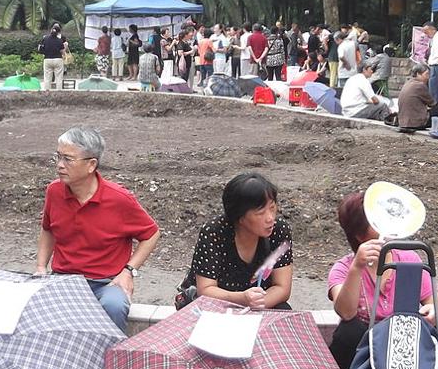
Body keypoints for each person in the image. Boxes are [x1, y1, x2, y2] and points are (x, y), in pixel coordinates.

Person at [35, 127, 160, 330]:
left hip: (106, 283)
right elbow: (48, 229)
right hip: (64, 280)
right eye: (58, 157)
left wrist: (129, 271)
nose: (59, 165)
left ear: (91, 164)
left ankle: (109, 359)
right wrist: (41, 267)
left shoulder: (119, 199)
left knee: (114, 305)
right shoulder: (54, 191)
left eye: (68, 159)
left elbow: (152, 234)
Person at [327, 190, 438, 369]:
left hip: (405, 335)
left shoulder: (408, 259)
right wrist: (357, 268)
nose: (387, 229)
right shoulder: (343, 268)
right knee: (348, 333)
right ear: (359, 234)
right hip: (367, 339)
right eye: (377, 223)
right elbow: (346, 312)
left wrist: (434, 311)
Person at [183, 172, 293, 311]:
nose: (270, 218)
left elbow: (282, 288)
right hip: (218, 302)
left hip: (261, 302)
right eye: (260, 213)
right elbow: (206, 289)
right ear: (239, 217)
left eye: (272, 208)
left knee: (283, 311)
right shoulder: (214, 231)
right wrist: (242, 299)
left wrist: (255, 304)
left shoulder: (279, 230)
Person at [397, 62, 434, 130]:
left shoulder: (407, 83)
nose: (428, 77)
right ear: (418, 74)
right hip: (416, 122)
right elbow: (432, 103)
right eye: (426, 74)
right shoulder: (420, 85)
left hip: (403, 121)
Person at [39, 23, 68, 90]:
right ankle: (58, 91)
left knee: (47, 78)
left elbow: (41, 48)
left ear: (51, 31)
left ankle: (47, 91)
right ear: (58, 32)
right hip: (58, 59)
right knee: (59, 78)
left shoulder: (45, 39)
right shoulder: (60, 40)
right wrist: (65, 47)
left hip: (47, 59)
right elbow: (62, 52)